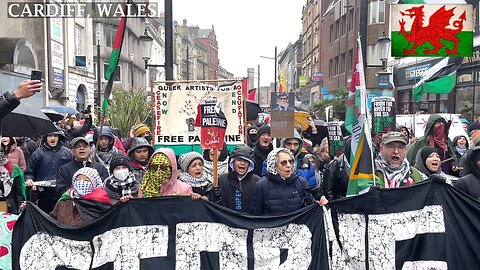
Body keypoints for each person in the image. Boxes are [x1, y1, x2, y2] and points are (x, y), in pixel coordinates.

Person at [250, 148, 325, 216]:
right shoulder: (262, 185)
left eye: (290, 161)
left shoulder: (301, 182)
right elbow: (256, 216)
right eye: (283, 163)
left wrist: (320, 201)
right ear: (274, 165)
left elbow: (310, 208)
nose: (289, 165)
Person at [25, 127, 72, 213]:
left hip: (62, 194)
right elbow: (29, 172)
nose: (53, 138)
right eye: (50, 136)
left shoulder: (67, 153)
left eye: (55, 136)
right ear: (46, 137)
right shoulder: (38, 153)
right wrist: (29, 180)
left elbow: (72, 171)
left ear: (59, 137)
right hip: (43, 195)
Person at [216, 144, 260, 213]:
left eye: (246, 160)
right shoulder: (221, 180)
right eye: (239, 160)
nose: (242, 163)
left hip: (250, 222)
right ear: (233, 162)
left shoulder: (257, 182)